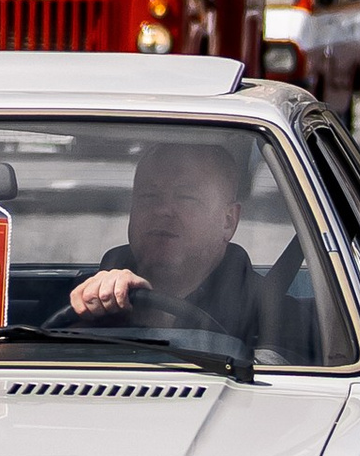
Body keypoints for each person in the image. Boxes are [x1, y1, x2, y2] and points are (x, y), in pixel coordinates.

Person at [58, 137, 305, 358]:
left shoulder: (274, 316)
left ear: (228, 220)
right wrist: (87, 318)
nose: (163, 210)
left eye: (186, 197)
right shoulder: (84, 296)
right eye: (148, 196)